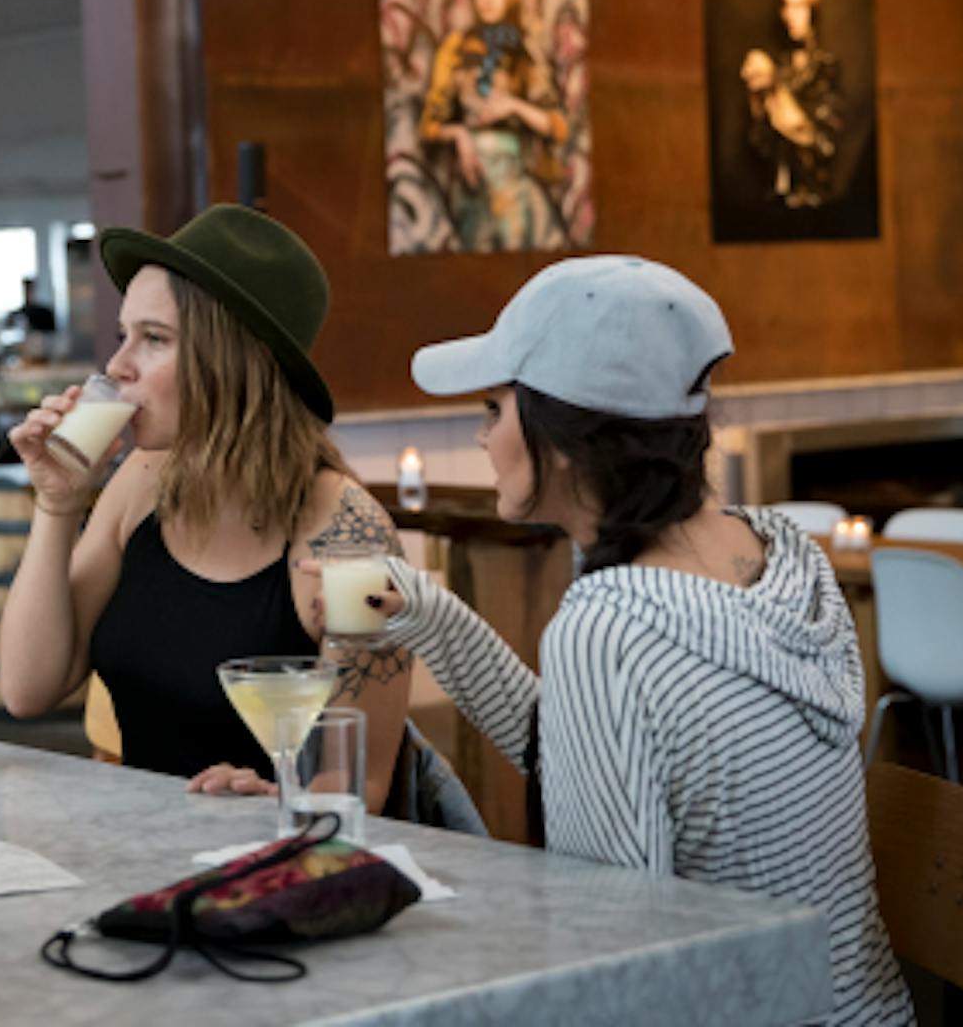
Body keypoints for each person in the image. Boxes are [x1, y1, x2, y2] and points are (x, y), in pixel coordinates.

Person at [357, 256, 909, 1026]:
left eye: (493, 407)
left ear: (565, 433)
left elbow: (615, 959)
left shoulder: (608, 630)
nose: (482, 435)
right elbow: (589, 743)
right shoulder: (788, 554)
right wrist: (425, 610)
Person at [0, 205, 419, 815]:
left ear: (235, 363)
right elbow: (27, 689)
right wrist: (58, 504)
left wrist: (280, 798)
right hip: (143, 856)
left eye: (155, 339)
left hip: (274, 869)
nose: (117, 365)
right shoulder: (139, 483)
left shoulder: (345, 536)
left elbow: (356, 785)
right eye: (124, 335)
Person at [420, 0, 570, 251]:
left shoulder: (524, 51)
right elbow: (428, 126)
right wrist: (459, 133)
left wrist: (514, 106)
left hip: (514, 183)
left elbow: (558, 126)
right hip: (471, 184)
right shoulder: (456, 48)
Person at [740, 0, 844, 209]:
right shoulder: (779, 65)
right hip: (777, 195)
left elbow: (815, 138)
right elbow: (760, 141)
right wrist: (757, 97)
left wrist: (775, 87)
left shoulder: (824, 67)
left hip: (814, 198)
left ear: (812, 10)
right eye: (786, 6)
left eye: (799, 6)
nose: (790, 14)